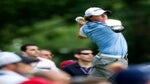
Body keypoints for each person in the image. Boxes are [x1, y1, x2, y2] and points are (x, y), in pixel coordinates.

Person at [75, 7, 128, 79]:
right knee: (119, 80)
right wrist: (85, 21)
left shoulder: (86, 28)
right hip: (109, 61)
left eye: (105, 14)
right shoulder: (102, 25)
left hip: (112, 59)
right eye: (99, 15)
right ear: (91, 17)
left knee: (92, 82)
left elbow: (81, 36)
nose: (104, 16)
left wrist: (81, 24)